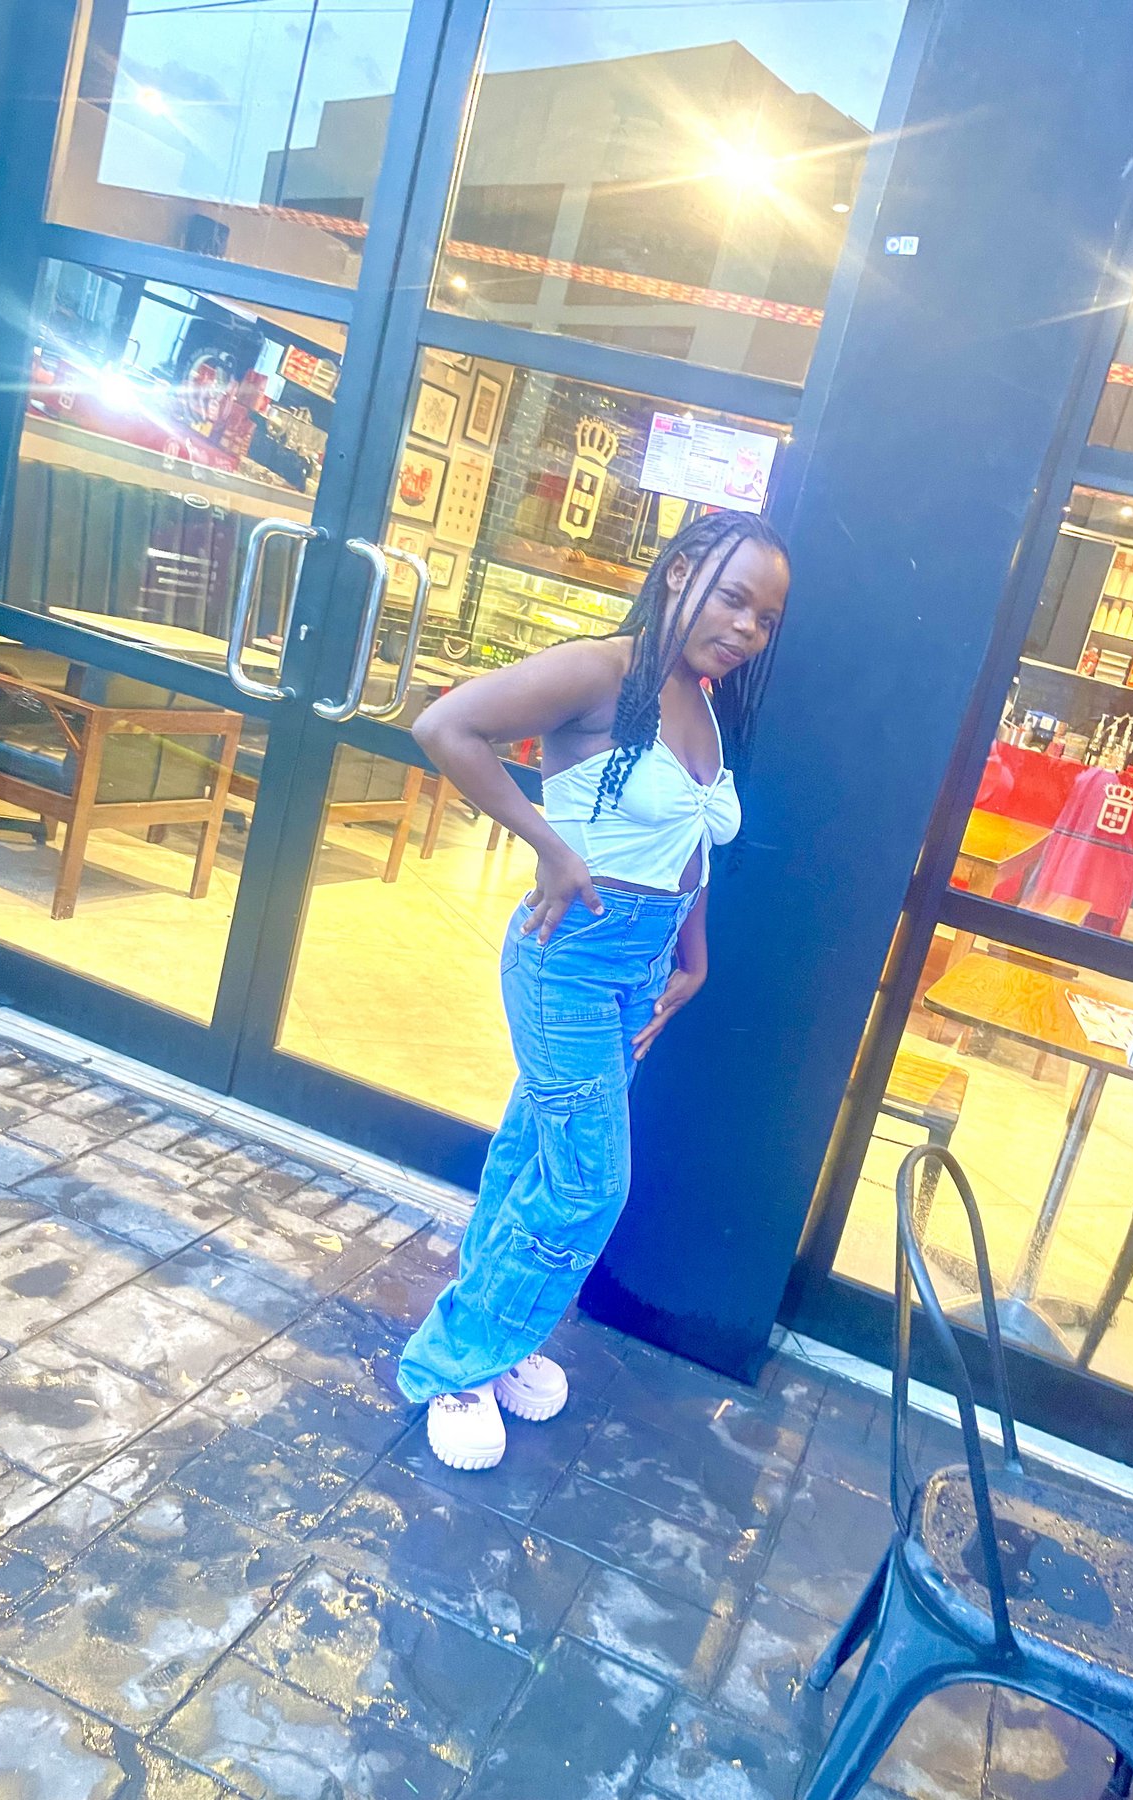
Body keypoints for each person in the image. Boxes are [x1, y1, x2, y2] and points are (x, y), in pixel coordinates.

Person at [396, 509, 791, 1469]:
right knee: (587, 1184)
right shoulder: (602, 672)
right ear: (679, 572)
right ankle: (454, 1363)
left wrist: (694, 954)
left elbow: (692, 839)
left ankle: (502, 1334)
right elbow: (446, 727)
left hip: (640, 968)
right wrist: (548, 846)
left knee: (537, 1154)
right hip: (567, 959)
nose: (746, 628)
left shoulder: (701, 700)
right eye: (733, 598)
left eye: (766, 619)